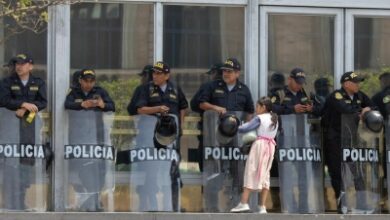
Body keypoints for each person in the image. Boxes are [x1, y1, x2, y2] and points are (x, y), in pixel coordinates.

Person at [198, 57, 254, 211]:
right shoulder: (212, 86)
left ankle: (236, 204)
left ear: (237, 73)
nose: (226, 74)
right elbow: (202, 104)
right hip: (216, 138)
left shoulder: (244, 89)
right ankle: (212, 206)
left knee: (237, 171)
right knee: (216, 171)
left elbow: (249, 111)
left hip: (236, 139)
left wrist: (246, 132)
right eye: (224, 71)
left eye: (229, 71)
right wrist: (215, 108)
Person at [135, 61, 188, 211]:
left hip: (171, 139)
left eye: (159, 73)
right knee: (151, 173)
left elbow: (183, 107)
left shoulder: (175, 88)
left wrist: (181, 125)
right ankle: (152, 207)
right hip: (151, 138)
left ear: (167, 75)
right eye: (154, 73)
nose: (155, 76)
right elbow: (140, 109)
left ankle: (171, 206)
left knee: (172, 172)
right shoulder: (147, 88)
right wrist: (157, 109)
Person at [322, 71, 374, 213]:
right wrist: (362, 111)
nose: (358, 85)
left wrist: (366, 110)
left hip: (353, 140)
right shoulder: (336, 96)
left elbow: (373, 107)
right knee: (338, 173)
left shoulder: (360, 95)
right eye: (355, 82)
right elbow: (346, 110)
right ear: (346, 84)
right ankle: (342, 205)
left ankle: (362, 205)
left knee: (358, 172)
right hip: (336, 141)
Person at [1, 53, 47, 210]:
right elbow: (4, 100)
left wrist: (26, 108)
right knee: (11, 167)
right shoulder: (7, 82)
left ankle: (21, 201)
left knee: (25, 168)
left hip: (29, 130)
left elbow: (42, 102)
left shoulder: (38, 82)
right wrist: (22, 103)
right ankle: (11, 203)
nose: (18, 66)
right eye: (16, 64)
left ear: (30, 66)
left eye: (22, 63)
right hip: (10, 130)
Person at [230, 97, 278, 214]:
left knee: (251, 171)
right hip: (270, 146)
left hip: (260, 145)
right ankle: (262, 206)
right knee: (265, 175)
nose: (256, 109)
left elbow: (245, 128)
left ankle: (244, 203)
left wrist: (234, 124)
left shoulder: (260, 118)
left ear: (264, 107)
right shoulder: (275, 118)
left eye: (258, 106)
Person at [190, 63, 222, 171]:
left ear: (215, 73)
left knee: (205, 165)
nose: (211, 76)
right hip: (226, 134)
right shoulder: (230, 87)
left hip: (208, 132)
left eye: (212, 73)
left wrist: (206, 109)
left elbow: (194, 104)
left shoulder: (207, 86)